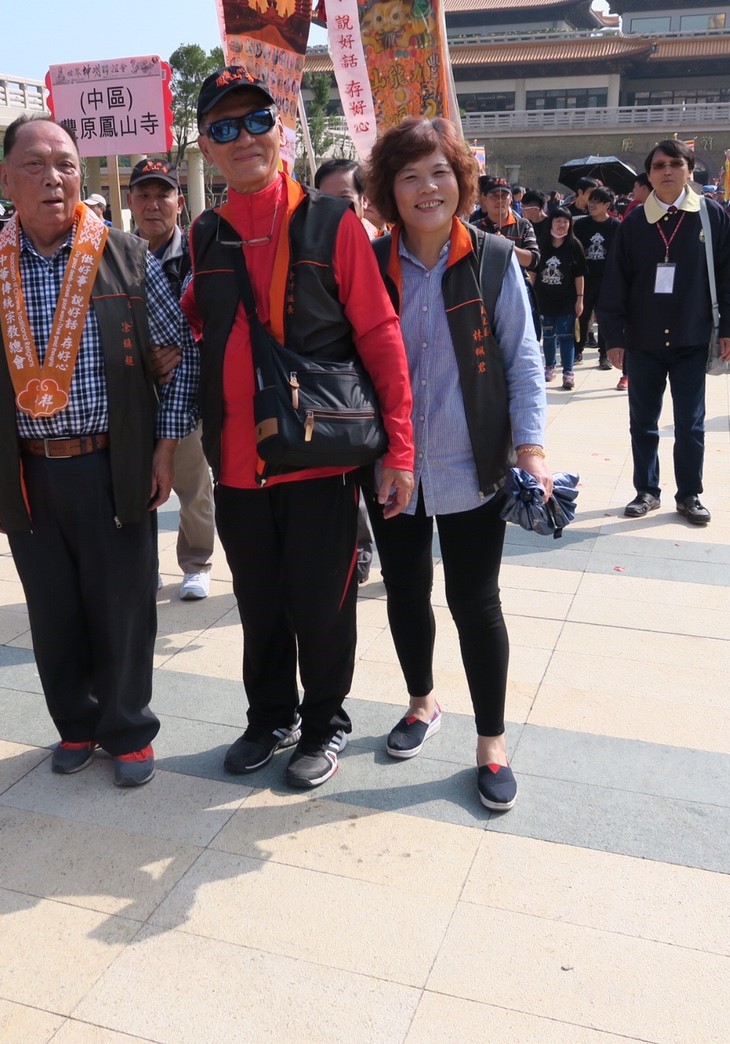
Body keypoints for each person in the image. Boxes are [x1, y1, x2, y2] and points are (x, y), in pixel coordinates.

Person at [0, 116, 195, 788]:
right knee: (52, 609)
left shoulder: (125, 256)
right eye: (35, 164)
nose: (53, 178)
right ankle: (75, 725)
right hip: (24, 468)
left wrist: (165, 448)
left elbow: (181, 357)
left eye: (66, 164)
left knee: (124, 606)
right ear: (5, 178)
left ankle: (128, 728)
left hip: (115, 462)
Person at [183, 65, 414, 789]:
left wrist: (399, 450)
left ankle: (323, 724)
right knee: (259, 605)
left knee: (323, 605)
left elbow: (379, 335)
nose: (243, 138)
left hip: (320, 458)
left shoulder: (330, 222)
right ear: (206, 146)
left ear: (280, 130)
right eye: (224, 127)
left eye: (257, 120)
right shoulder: (206, 233)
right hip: (237, 463)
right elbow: (197, 322)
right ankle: (269, 718)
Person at [363, 116, 548, 812]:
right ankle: (422, 702)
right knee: (406, 591)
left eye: (439, 172)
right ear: (390, 189)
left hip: (474, 468)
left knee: (476, 602)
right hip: (393, 469)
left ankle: (491, 742)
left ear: (460, 180)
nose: (427, 188)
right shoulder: (370, 263)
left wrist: (531, 450)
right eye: (409, 175)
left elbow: (523, 360)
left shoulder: (493, 260)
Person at [598, 138, 730, 526]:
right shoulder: (633, 223)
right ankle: (646, 490)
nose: (666, 171)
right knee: (643, 422)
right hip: (643, 340)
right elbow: (614, 284)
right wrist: (613, 338)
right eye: (658, 166)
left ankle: (689, 494)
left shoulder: (711, 216)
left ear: (689, 171)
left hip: (691, 337)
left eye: (674, 164)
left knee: (690, 424)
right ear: (648, 174)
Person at [128, 156, 217, 601]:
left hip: (188, 394)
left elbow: (214, 321)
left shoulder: (199, 256)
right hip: (134, 396)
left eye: (162, 194)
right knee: (134, 484)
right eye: (143, 195)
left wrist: (184, 351)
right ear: (130, 202)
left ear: (179, 203)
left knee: (192, 485)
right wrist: (142, 357)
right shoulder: (117, 256)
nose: (153, 204)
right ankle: (145, 566)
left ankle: (197, 563)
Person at [313, 157, 381, 580]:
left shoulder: (382, 251)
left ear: (363, 201)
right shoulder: (308, 253)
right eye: (323, 201)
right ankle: (357, 551)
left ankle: (381, 550)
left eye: (344, 200)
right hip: (336, 398)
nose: (333, 211)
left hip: (378, 390)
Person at [534, 202, 586, 389]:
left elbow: (579, 275)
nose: (562, 225)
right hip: (545, 298)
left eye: (566, 221)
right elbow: (533, 271)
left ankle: (568, 372)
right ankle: (549, 367)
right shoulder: (541, 243)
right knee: (548, 335)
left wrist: (580, 299)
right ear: (551, 222)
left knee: (565, 335)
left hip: (567, 299)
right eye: (558, 221)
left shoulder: (574, 245)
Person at [573, 186, 620, 371]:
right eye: (590, 201)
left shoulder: (616, 226)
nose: (591, 205)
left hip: (607, 279)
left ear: (607, 205)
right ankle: (577, 350)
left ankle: (604, 355)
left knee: (604, 318)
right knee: (582, 315)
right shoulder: (581, 225)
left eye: (597, 202)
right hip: (585, 278)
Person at [473, 176, 539, 274]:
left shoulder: (523, 225)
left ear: (511, 198)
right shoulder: (474, 229)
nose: (499, 200)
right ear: (484, 198)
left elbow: (533, 260)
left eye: (504, 196)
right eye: (494, 196)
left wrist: (508, 247)